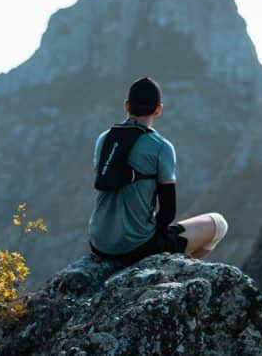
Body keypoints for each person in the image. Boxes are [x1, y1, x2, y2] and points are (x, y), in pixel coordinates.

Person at [87, 77, 228, 266]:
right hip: (135, 248)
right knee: (218, 224)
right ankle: (179, 272)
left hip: (98, 243)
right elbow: (167, 212)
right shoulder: (161, 147)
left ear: (126, 106)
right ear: (158, 109)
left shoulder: (104, 139)